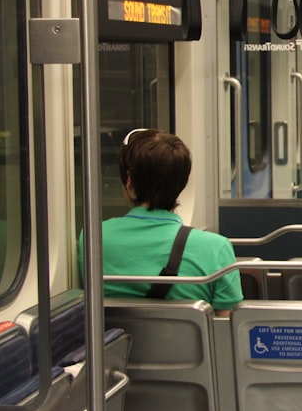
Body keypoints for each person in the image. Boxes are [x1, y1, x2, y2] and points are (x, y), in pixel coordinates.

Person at [79, 129, 242, 315]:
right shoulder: (216, 248)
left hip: (116, 344)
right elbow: (227, 327)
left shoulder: (93, 238)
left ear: (129, 182)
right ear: (182, 183)